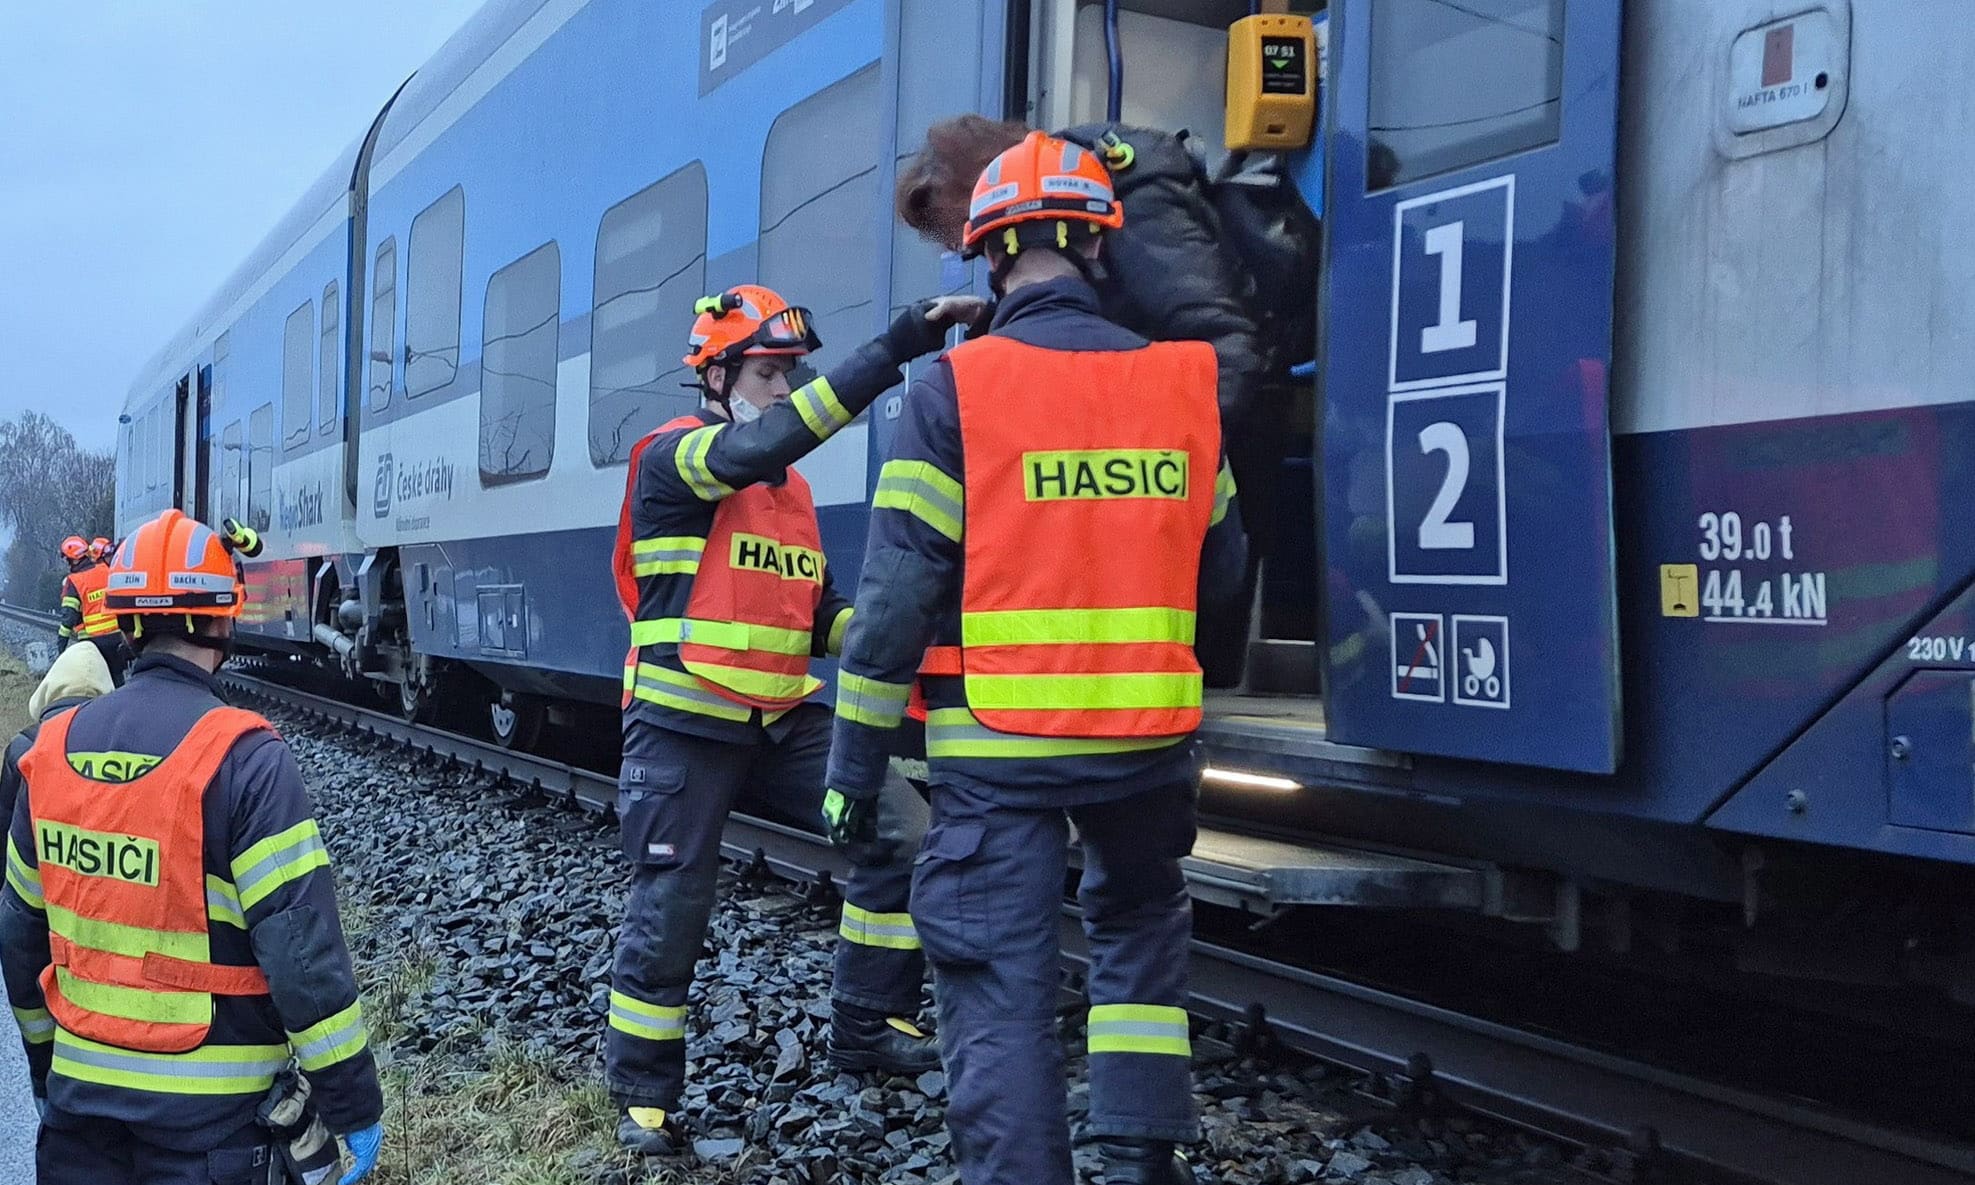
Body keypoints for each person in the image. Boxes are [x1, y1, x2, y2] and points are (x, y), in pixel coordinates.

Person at [826, 132, 1246, 1185]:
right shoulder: (1182, 384)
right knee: (1139, 936)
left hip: (998, 752)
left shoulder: (954, 391)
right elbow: (1225, 567)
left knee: (995, 986)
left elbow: (893, 604)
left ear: (988, 257)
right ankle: (1142, 1159)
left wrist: (851, 765)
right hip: (1149, 747)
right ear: (1100, 245)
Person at [606, 284, 978, 1155]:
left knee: (902, 831)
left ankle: (865, 1023)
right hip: (682, 718)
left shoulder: (792, 495)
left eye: (789, 373)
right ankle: (641, 1094)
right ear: (719, 375)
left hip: (778, 718)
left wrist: (895, 629)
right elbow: (771, 439)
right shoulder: (676, 456)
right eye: (769, 372)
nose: (783, 387)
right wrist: (894, 346)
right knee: (673, 902)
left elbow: (818, 613)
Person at [0, 509, 383, 1185]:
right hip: (216, 1136)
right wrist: (349, 1099)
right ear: (222, 620)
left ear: (123, 620)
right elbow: (301, 948)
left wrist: (44, 1067)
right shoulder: (245, 758)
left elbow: (21, 931)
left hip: (77, 1127)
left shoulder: (48, 754)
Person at [894, 114, 1312, 688]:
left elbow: (1227, 348)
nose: (989, 262)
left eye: (980, 239)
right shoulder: (1102, 201)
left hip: (1232, 450)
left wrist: (1142, 453)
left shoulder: (1135, 202)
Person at [56, 534, 127, 687]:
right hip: (117, 638)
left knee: (97, 684)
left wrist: (61, 646)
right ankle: (122, 708)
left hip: (93, 643)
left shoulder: (74, 581)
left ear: (74, 559)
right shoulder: (106, 570)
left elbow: (68, 618)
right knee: (118, 680)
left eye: (68, 560)